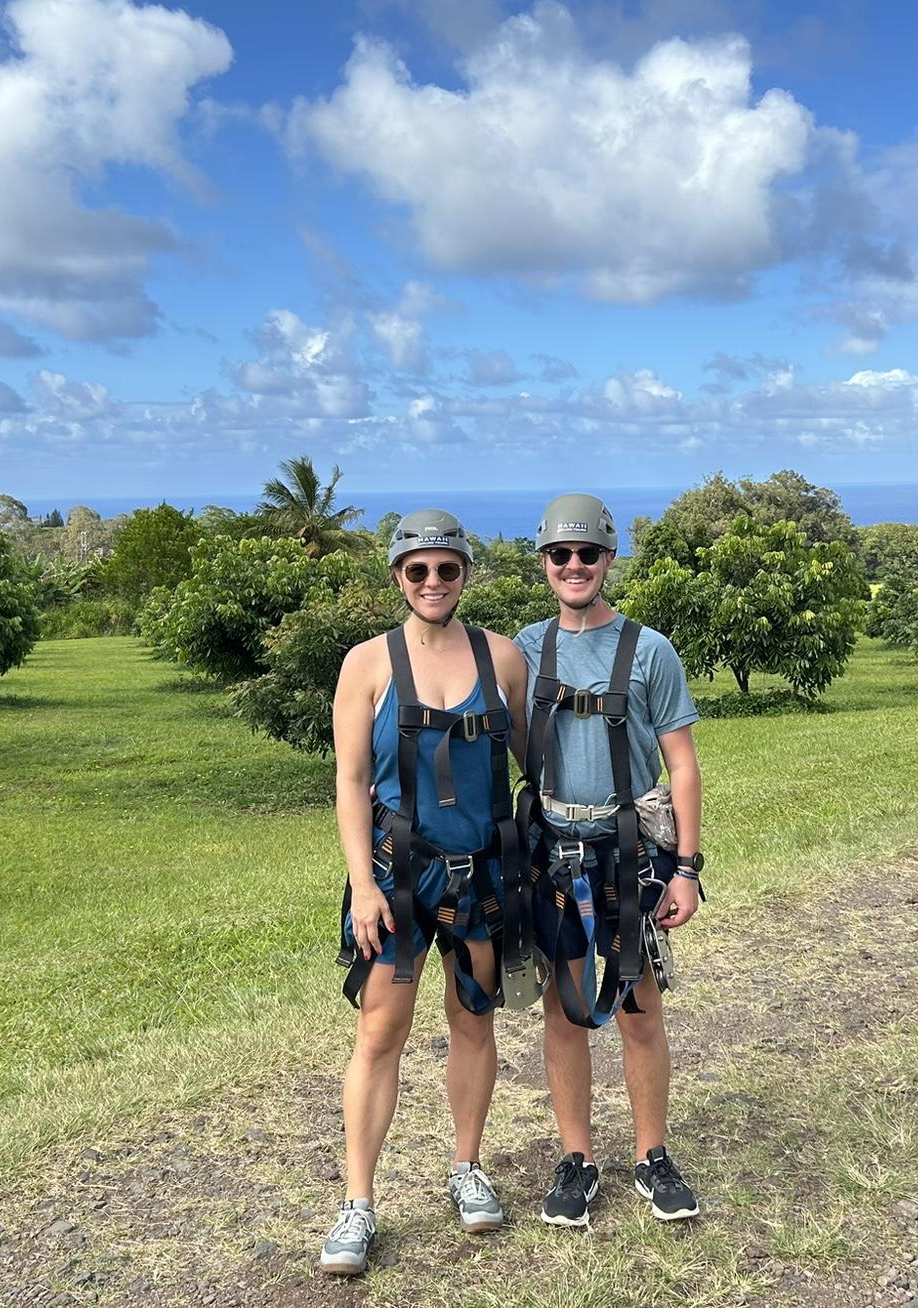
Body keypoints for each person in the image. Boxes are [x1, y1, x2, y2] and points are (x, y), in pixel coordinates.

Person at [319, 509, 531, 1276]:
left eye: (447, 569)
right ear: (399, 579)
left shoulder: (504, 659)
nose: (433, 582)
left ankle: (467, 1168)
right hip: (396, 875)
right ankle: (358, 1203)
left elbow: (527, 768)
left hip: (479, 873)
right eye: (418, 571)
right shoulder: (366, 664)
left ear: (466, 575)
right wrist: (362, 885)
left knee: (474, 1020)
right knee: (381, 1033)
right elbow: (347, 783)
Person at [515, 493, 706, 1228]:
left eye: (586, 554)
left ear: (608, 561)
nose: (573, 566)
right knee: (564, 1013)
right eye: (560, 555)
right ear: (544, 564)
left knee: (638, 1009)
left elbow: (681, 765)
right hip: (555, 850)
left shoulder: (650, 650)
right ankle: (577, 1158)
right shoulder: (525, 651)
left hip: (629, 853)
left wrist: (685, 867)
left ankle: (653, 1155)